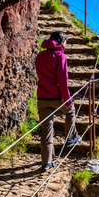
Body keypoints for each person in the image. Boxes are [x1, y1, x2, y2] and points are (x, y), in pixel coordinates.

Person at [35, 31, 79, 170]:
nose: (66, 44)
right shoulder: (61, 56)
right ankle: (70, 137)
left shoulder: (40, 55)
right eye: (65, 41)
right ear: (61, 41)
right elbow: (63, 80)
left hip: (42, 97)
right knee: (71, 112)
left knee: (46, 129)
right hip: (56, 97)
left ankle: (46, 162)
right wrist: (67, 99)